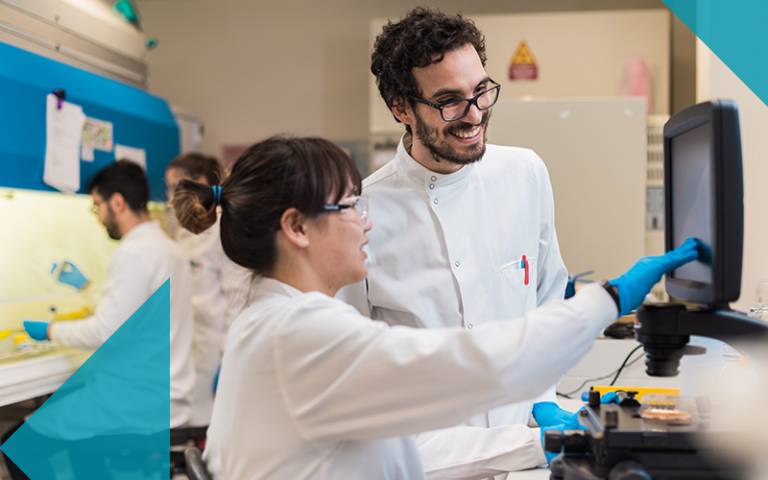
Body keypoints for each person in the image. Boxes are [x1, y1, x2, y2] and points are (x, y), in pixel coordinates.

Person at [171, 135, 698, 479]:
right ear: (296, 228)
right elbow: (480, 363)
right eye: (351, 204)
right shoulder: (302, 335)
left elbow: (411, 448)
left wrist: (541, 442)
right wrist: (610, 299)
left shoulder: (271, 321)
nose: (367, 219)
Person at [337, 8, 579, 475]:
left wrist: (543, 399)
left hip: (520, 460)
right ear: (401, 107)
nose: (474, 115)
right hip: (420, 462)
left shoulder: (525, 174)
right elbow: (355, 371)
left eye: (482, 92)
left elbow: (548, 298)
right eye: (449, 100)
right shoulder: (361, 211)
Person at [23, 160, 195, 429]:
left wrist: (50, 331)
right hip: (166, 396)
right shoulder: (169, 248)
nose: (97, 216)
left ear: (117, 203)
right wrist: (86, 288)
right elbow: (132, 316)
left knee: (19, 442)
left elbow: (104, 332)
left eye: (96, 206)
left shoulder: (134, 252)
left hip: (138, 403)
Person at [166, 153, 252, 426]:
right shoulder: (184, 232)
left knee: (210, 427)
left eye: (175, 185)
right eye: (168, 187)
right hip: (191, 349)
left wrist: (229, 360)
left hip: (216, 351)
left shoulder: (223, 230)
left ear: (201, 183)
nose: (170, 196)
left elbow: (237, 301)